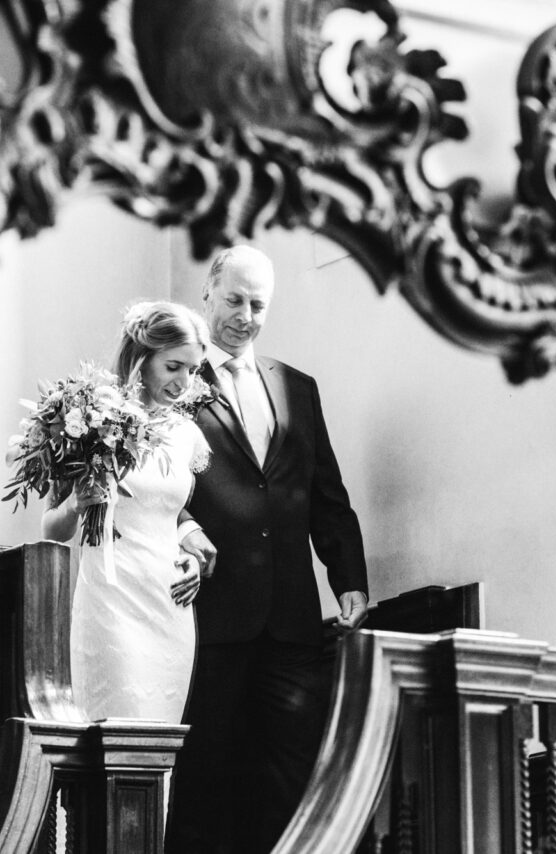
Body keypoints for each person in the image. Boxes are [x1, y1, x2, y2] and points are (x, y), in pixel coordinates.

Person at [165, 245, 370, 853]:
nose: (245, 315)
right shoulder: (174, 377)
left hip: (290, 617)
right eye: (234, 299)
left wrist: (349, 577)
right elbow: (153, 482)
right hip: (210, 615)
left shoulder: (297, 387)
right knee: (208, 778)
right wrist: (182, 532)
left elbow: (324, 492)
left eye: (258, 305)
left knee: (292, 776)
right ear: (207, 294)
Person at [42, 301, 212, 723]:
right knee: (118, 726)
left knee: (161, 737)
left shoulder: (187, 435)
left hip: (170, 603)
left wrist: (190, 556)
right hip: (111, 599)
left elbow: (171, 514)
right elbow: (51, 529)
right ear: (142, 358)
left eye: (192, 371)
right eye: (174, 367)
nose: (183, 383)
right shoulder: (88, 420)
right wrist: (78, 502)